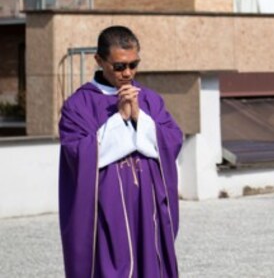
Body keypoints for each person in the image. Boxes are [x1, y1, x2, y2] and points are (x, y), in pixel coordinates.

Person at [58, 26, 184, 278]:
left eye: (133, 65)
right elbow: (76, 154)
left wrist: (138, 117)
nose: (127, 73)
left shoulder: (149, 99)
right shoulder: (78, 105)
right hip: (107, 207)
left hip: (148, 205)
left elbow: (172, 140)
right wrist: (119, 120)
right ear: (99, 60)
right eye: (119, 66)